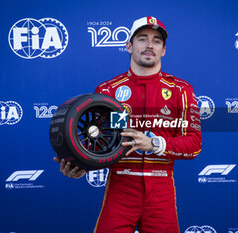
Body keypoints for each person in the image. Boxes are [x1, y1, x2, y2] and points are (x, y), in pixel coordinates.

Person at [54, 16, 202, 233]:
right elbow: (99, 144)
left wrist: (154, 144)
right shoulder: (107, 91)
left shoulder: (181, 90)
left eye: (157, 41)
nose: (149, 45)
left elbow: (194, 144)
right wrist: (80, 164)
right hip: (120, 189)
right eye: (142, 39)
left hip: (161, 192)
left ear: (163, 50)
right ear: (129, 46)